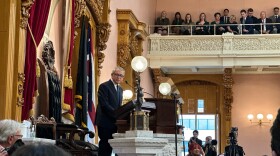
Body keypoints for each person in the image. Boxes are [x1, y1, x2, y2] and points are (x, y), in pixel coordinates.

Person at [95, 66, 125, 156]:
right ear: (112, 75)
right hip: (105, 123)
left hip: (115, 124)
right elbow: (104, 104)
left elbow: (118, 106)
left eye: (121, 75)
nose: (119, 77)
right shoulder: (104, 86)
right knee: (105, 148)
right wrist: (117, 114)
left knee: (116, 148)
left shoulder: (120, 89)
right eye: (117, 75)